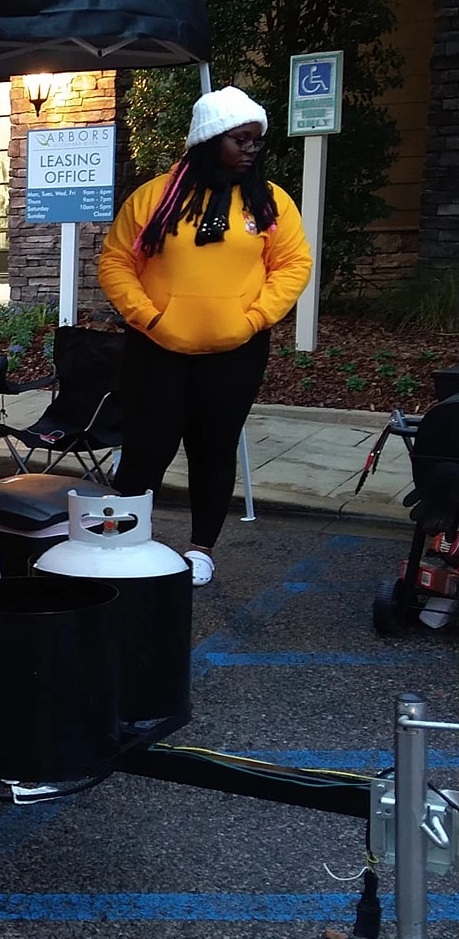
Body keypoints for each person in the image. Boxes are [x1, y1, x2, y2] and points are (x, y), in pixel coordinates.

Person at [98, 86, 313, 587]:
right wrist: (149, 318)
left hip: (236, 350)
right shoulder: (154, 197)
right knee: (147, 449)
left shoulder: (269, 201)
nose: (251, 149)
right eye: (240, 139)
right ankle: (124, 542)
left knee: (213, 449)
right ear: (209, 139)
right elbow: (116, 261)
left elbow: (292, 263)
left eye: (256, 140)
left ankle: (201, 550)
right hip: (156, 347)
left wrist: (255, 318)